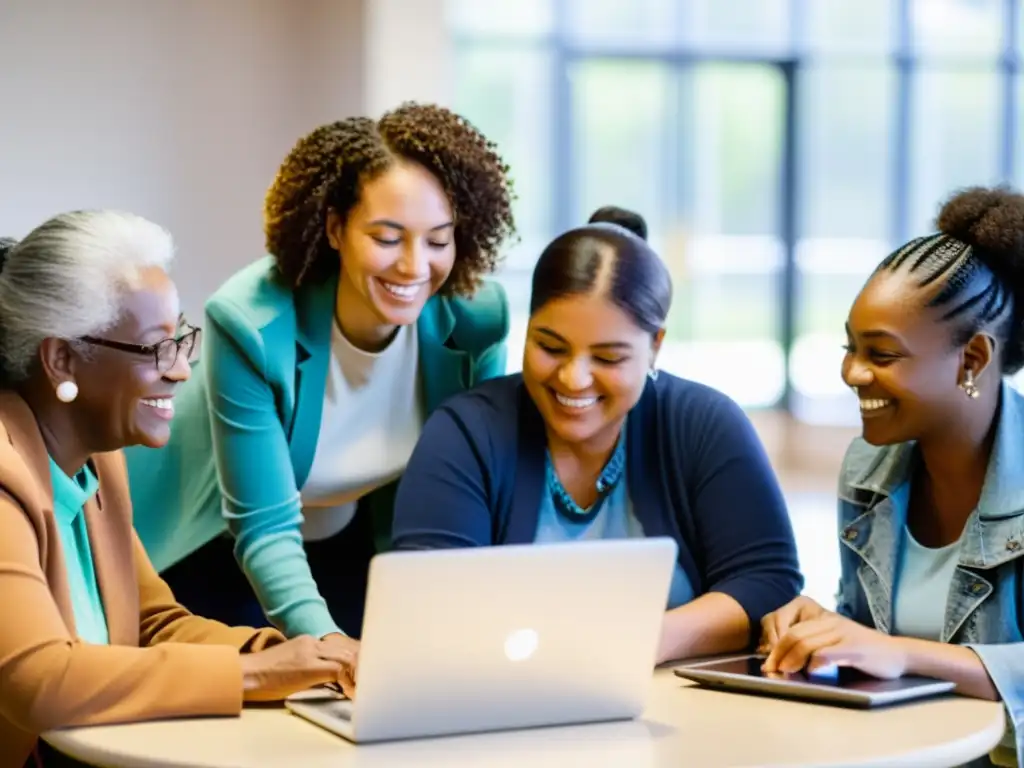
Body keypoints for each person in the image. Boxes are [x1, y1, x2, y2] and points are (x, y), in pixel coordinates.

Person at [125, 102, 517, 645]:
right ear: (335, 228)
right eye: (386, 238)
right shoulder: (251, 325)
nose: (413, 266)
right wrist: (331, 653)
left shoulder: (475, 322)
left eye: (437, 239)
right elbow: (262, 528)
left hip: (352, 540)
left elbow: (472, 491)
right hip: (213, 548)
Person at [0, 213, 356, 768]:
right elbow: (40, 680)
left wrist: (297, 656)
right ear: (61, 358)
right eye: (155, 349)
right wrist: (256, 675)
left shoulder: (99, 463)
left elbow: (152, 625)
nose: (183, 371)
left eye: (181, 341)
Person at [390, 206, 803, 663]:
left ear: (655, 347)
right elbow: (426, 603)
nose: (573, 379)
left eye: (608, 358)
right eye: (550, 347)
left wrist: (646, 639)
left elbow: (767, 581)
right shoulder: (467, 433)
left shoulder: (704, 424)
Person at [759, 186, 1024, 768]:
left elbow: (892, 651)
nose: (852, 372)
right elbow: (869, 635)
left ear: (973, 359)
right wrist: (825, 631)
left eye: (882, 355)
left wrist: (899, 654)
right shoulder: (869, 467)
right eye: (850, 348)